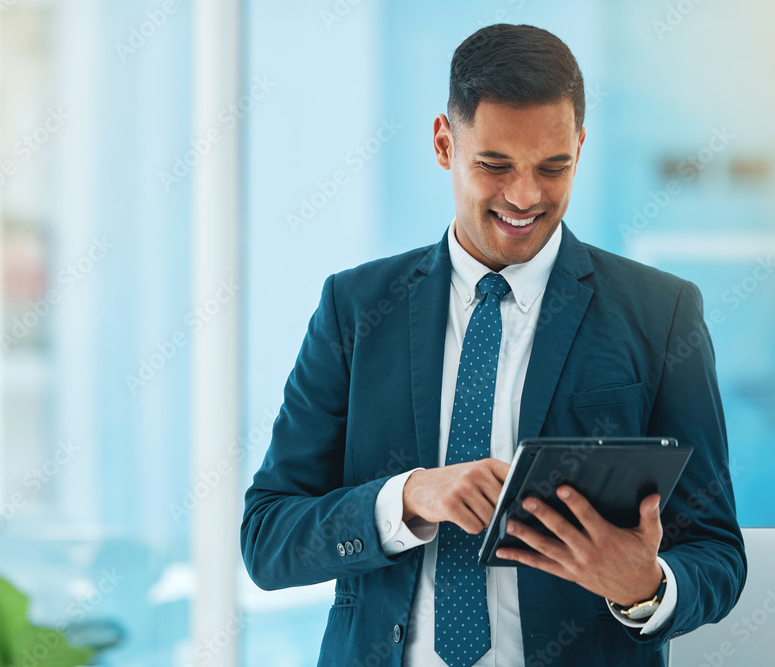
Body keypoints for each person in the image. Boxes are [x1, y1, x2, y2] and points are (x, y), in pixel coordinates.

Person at [240, 23, 747, 667]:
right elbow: (268, 538)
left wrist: (646, 589)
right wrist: (406, 498)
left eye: (553, 166)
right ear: (444, 143)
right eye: (495, 165)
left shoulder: (660, 313)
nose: (525, 196)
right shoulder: (356, 309)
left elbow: (716, 551)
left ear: (581, 147)